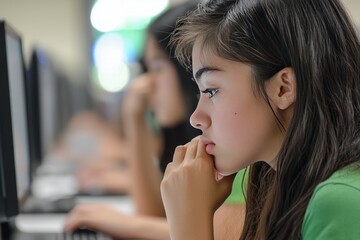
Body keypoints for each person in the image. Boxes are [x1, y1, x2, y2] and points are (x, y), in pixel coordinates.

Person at [160, 0, 360, 239]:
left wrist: (189, 222)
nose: (196, 118)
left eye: (211, 90)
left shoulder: (341, 201)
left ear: (283, 88)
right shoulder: (281, 187)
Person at [64, 1, 245, 239]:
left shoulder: (239, 153)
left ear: (187, 69)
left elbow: (224, 234)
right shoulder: (202, 145)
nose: (145, 84)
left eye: (157, 68)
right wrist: (134, 120)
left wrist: (123, 223)